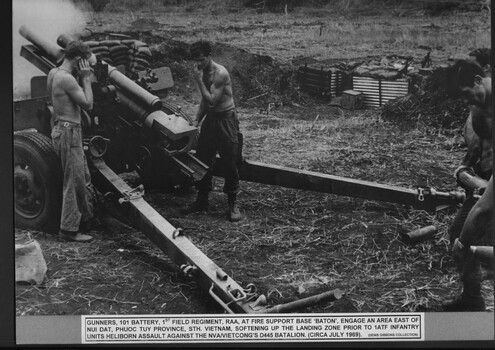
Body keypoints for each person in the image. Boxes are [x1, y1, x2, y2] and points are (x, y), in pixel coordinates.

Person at [443, 70, 493, 311]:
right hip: (483, 192)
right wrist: (472, 180)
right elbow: (467, 162)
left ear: (477, 80)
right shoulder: (478, 112)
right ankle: (472, 298)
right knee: (457, 235)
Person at [182, 40, 242, 222]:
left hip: (225, 120)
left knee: (229, 162)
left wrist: (198, 80)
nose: (198, 64)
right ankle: (202, 199)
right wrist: (197, 121)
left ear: (209, 56)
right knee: (202, 158)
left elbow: (210, 101)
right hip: (211, 120)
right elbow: (204, 102)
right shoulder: (204, 72)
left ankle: (233, 203)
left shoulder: (220, 74)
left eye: (201, 59)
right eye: (196, 60)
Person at [47, 40, 95, 242]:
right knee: (74, 181)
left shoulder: (53, 73)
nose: (88, 67)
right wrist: (86, 79)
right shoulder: (67, 79)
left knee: (82, 177)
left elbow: (52, 102)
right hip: (70, 132)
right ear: (78, 61)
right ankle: (68, 231)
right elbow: (88, 104)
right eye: (85, 63)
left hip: (61, 128)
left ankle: (87, 219)